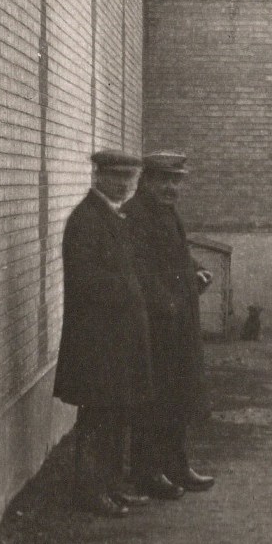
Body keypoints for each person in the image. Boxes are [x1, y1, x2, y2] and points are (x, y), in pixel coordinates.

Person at [52, 149, 155, 518]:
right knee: (97, 417)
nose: (125, 185)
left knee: (115, 414)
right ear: (97, 176)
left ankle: (111, 487)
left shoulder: (113, 216)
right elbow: (87, 281)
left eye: (130, 179)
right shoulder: (86, 219)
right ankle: (91, 492)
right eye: (116, 177)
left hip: (117, 340)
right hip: (97, 340)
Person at [124, 150, 215, 497]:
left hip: (177, 323)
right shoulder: (135, 215)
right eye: (164, 180)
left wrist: (195, 269)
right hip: (156, 325)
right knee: (154, 400)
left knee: (178, 396)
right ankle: (148, 473)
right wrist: (169, 302)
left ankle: (177, 466)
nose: (171, 188)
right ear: (146, 180)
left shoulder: (165, 213)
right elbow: (141, 269)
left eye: (175, 181)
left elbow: (176, 254)